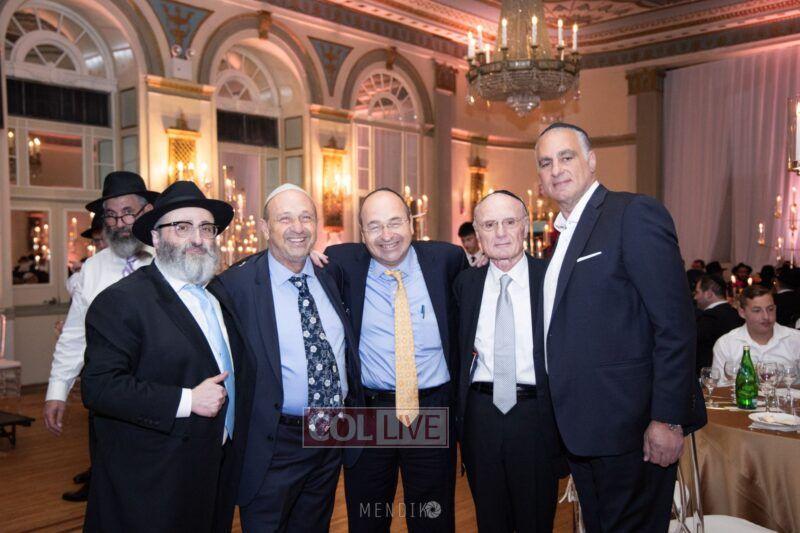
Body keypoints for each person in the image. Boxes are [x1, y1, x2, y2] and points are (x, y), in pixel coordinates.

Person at [536, 122, 705, 532]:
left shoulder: (632, 213)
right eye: (545, 162)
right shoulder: (560, 238)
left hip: (634, 433)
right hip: (583, 431)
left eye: (566, 157)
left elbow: (675, 325)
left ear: (592, 161)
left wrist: (667, 419)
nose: (556, 169)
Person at [81, 181, 255, 531]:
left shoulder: (218, 295)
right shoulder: (122, 301)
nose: (197, 238)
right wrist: (187, 400)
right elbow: (99, 387)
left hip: (214, 473)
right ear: (156, 238)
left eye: (206, 228)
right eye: (182, 227)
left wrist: (303, 256)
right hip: (152, 487)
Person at [210, 183, 362, 532]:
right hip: (273, 445)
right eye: (285, 219)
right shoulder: (235, 287)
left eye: (306, 218)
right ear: (265, 228)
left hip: (329, 440)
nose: (298, 228)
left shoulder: (330, 274)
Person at [324, 188, 466, 532]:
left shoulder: (447, 260)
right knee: (367, 519)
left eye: (394, 222)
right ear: (362, 233)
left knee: (432, 519)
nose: (386, 235)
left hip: (430, 409)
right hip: (369, 414)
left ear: (412, 225)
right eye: (374, 226)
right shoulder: (340, 263)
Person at [43, 171, 159, 502]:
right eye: (111, 215)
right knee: (110, 491)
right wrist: (56, 391)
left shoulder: (169, 260)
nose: (119, 223)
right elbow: (74, 336)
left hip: (161, 401)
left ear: (147, 212)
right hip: (108, 403)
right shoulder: (92, 270)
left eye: (127, 213)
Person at [453, 190, 564, 532]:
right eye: (489, 225)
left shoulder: (552, 278)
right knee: (489, 520)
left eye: (509, 222)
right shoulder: (465, 284)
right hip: (480, 417)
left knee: (535, 520)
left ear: (525, 226)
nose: (500, 233)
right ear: (478, 233)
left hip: (536, 415)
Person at [712, 284, 800, 385]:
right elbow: (718, 388)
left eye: (770, 309)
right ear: (742, 312)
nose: (766, 317)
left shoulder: (796, 339)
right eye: (757, 311)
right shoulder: (726, 344)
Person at [694, 274, 743, 374]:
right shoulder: (736, 314)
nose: (695, 297)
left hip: (713, 376)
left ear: (709, 294)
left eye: (697, 292)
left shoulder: (708, 318)